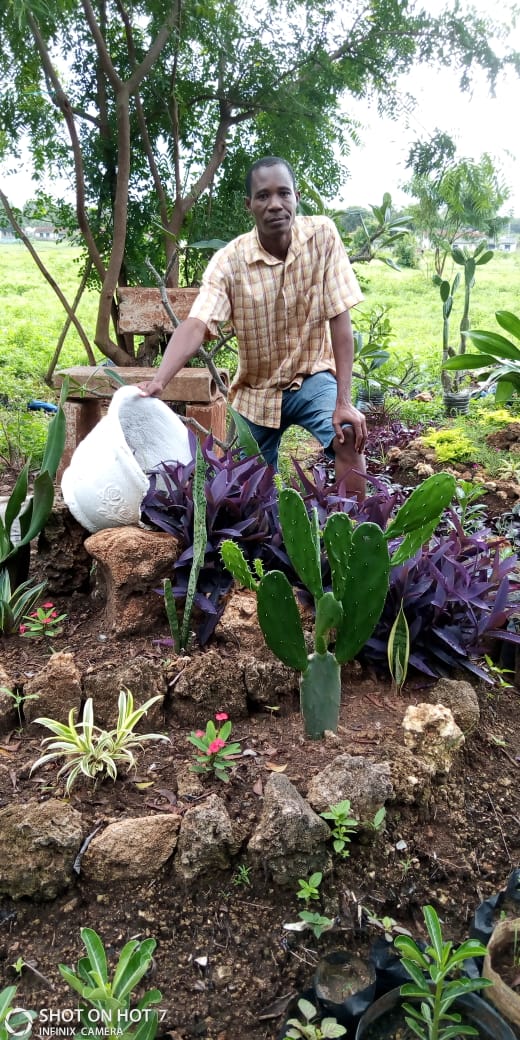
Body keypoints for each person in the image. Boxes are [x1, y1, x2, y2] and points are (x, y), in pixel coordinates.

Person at [140, 156, 367, 499]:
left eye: (283, 194)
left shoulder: (322, 236)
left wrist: (344, 401)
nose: (274, 204)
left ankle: (355, 539)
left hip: (312, 376)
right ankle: (262, 545)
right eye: (263, 196)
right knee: (244, 491)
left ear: (296, 197)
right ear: (249, 205)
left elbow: (340, 317)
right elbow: (198, 322)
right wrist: (160, 379)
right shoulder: (229, 262)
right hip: (256, 393)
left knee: (348, 432)